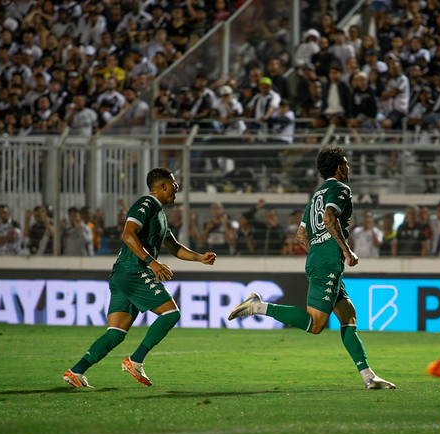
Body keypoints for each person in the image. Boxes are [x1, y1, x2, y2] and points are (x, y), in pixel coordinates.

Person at [227, 146, 395, 390]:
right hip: (327, 263)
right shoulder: (339, 188)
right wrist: (345, 251)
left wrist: (319, 252)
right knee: (316, 325)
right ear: (338, 167)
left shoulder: (317, 193)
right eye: (346, 164)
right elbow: (329, 218)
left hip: (321, 261)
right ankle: (258, 305)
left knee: (348, 315)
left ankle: (370, 378)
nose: (348, 168)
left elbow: (301, 235)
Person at [63, 167, 217, 389]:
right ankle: (135, 360)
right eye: (173, 183)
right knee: (171, 314)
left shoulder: (160, 214)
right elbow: (127, 234)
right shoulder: (145, 204)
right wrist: (151, 262)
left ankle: (75, 372)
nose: (176, 187)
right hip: (133, 270)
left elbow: (174, 248)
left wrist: (200, 258)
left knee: (115, 334)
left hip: (123, 274)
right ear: (163, 186)